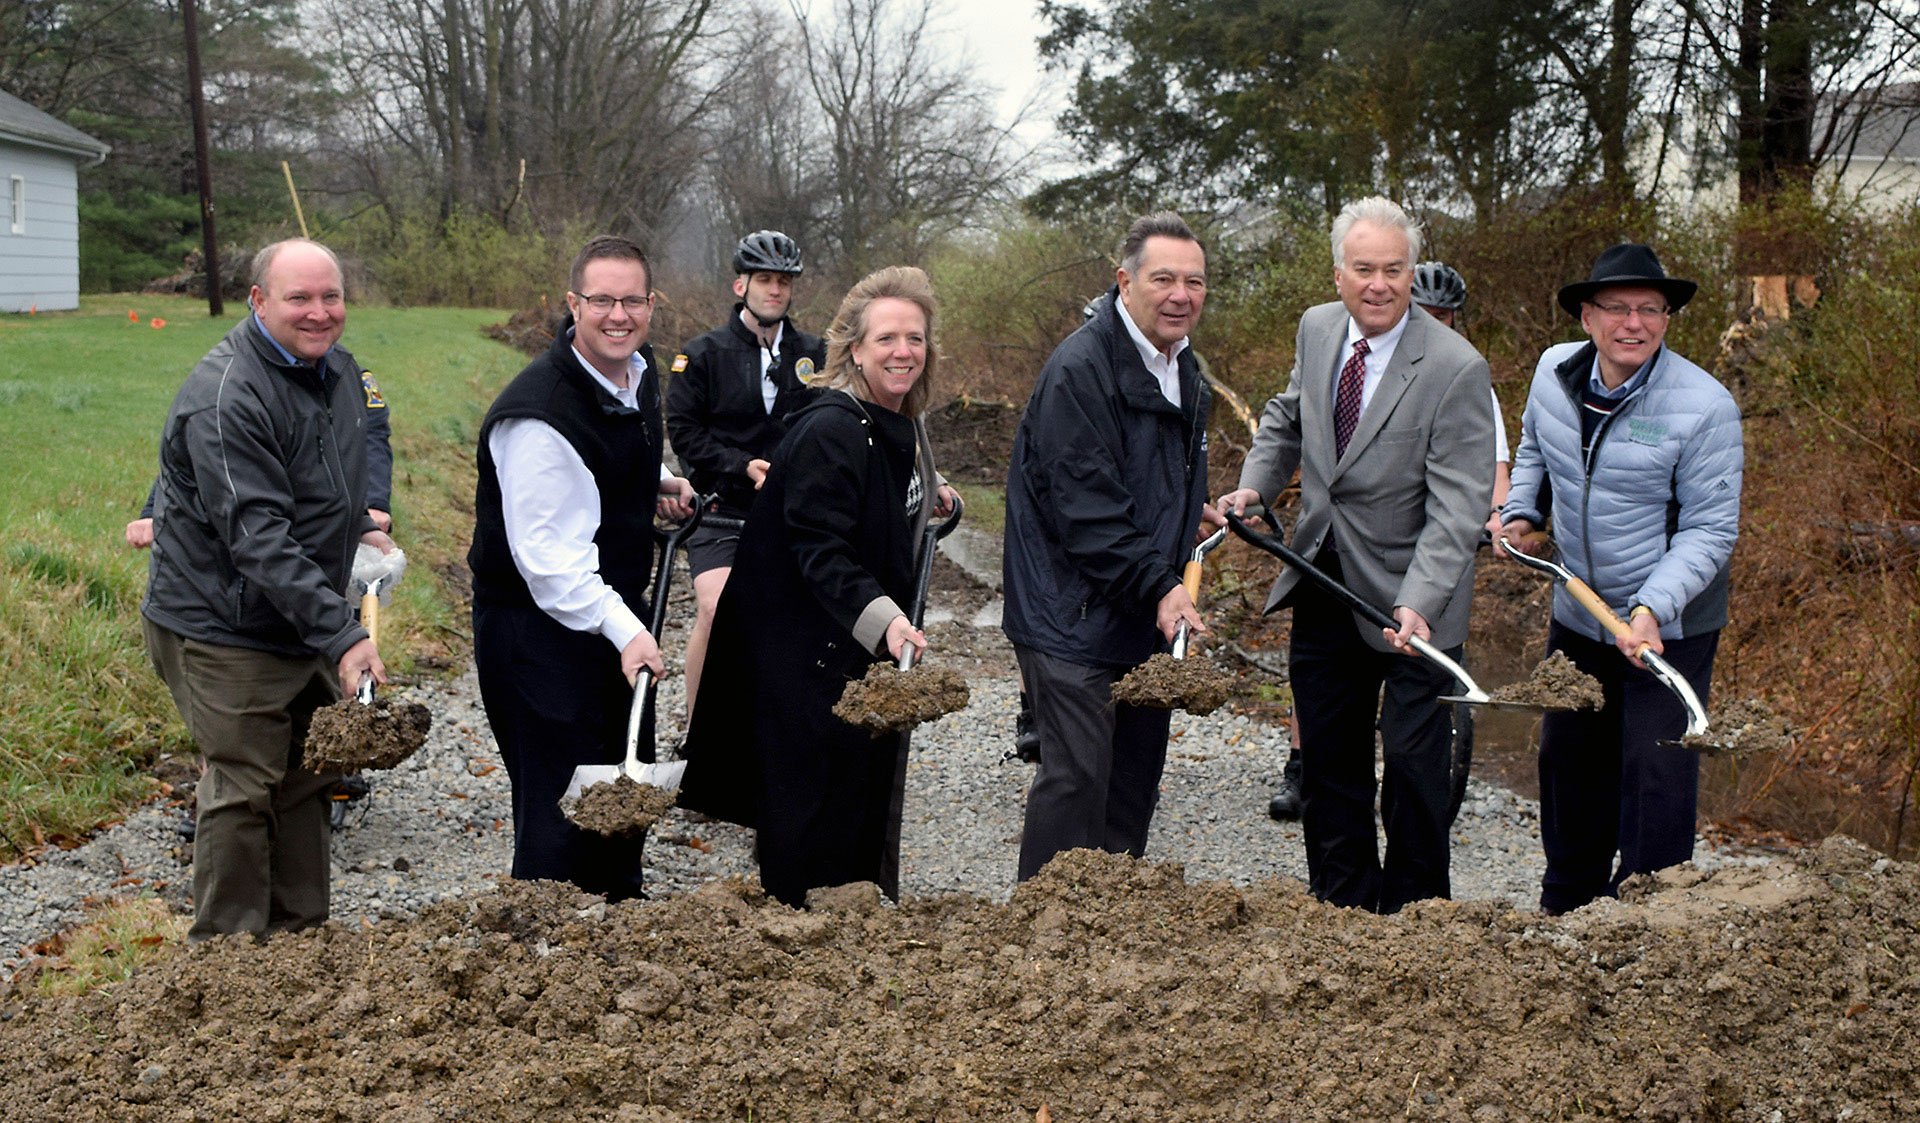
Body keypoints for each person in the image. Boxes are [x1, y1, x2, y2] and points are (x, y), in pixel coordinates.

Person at [1219, 196, 1493, 914]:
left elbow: (1461, 503)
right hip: (1323, 575)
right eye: (1364, 268)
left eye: (1394, 269)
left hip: (1414, 599)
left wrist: (1419, 600)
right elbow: (1287, 415)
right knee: (1331, 763)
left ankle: (1417, 917)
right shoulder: (1316, 329)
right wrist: (1255, 486)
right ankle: (1340, 911)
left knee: (1411, 769)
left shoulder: (1456, 368)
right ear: (1338, 272)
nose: (1379, 284)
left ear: (1412, 272)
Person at [678, 265, 957, 908]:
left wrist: (924, 497)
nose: (903, 352)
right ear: (854, 349)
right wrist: (885, 620)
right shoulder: (833, 427)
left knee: (855, 811)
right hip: (803, 661)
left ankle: (847, 947)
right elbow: (818, 547)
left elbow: (878, 501)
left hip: (849, 656)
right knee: (811, 830)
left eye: (915, 339)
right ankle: (799, 961)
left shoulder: (895, 420)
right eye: (886, 338)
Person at [139, 238, 393, 941]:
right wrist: (344, 632)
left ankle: (301, 938)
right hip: (221, 622)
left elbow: (332, 480)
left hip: (297, 613)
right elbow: (256, 538)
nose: (319, 312)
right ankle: (228, 958)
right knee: (245, 783)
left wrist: (363, 532)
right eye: (299, 298)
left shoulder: (337, 372)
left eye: (331, 296)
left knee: (310, 773)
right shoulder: (227, 394)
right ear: (258, 301)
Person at [1498, 243, 1742, 915]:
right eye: (1616, 308)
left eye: (1650, 309)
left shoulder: (1703, 405)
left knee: (1655, 772)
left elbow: (1711, 529)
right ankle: (1567, 906)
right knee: (1569, 761)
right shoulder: (1552, 372)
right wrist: (1521, 510)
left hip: (1670, 625)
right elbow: (1534, 448)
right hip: (1579, 612)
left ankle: (1647, 921)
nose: (1633, 323)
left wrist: (1650, 608)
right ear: (1586, 314)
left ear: (1667, 316)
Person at [468, 234, 695, 901]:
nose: (617, 315)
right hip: (534, 630)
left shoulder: (637, 368)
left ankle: (619, 926)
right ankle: (543, 963)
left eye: (632, 300)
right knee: (560, 807)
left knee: (621, 786)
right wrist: (626, 629)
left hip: (599, 612)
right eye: (602, 300)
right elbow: (552, 567)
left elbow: (613, 446)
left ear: (651, 304)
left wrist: (655, 478)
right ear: (574, 304)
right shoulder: (537, 418)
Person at [1002, 211, 1218, 883]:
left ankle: (1111, 937)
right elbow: (1088, 512)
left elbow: (1147, 475)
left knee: (1132, 782)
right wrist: (1160, 584)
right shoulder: (1079, 369)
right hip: (1069, 615)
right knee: (1078, 780)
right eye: (1163, 279)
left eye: (1195, 281)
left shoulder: (1187, 371)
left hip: (1137, 611)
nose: (1180, 294)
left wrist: (1189, 514)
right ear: (1124, 282)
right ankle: (1042, 941)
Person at [664, 230, 826, 721]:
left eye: (783, 282)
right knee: (716, 610)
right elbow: (685, 434)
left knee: (794, 622)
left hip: (791, 512)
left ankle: (776, 734)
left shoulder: (817, 355)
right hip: (721, 510)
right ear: (741, 286)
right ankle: (698, 729)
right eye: (764, 281)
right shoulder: (701, 355)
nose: (774, 290)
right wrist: (740, 465)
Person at [131, 371, 392, 548]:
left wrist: (376, 501)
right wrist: (153, 510)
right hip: (255, 534)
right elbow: (196, 449)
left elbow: (373, 435)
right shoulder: (232, 381)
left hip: (329, 533)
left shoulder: (352, 379)